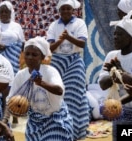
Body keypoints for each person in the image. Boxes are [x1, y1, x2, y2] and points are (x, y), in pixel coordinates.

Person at [5, 36, 73, 141]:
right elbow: (10, 100)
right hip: (34, 122)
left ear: (42, 57)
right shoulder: (20, 75)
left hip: (54, 119)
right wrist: (6, 120)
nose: (30, 57)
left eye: (34, 55)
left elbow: (59, 90)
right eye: (27, 54)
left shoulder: (50, 71)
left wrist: (41, 83)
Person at [46, 0, 90, 140]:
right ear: (59, 11)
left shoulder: (79, 23)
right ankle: (59, 130)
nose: (65, 11)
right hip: (57, 61)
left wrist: (68, 37)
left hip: (74, 60)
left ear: (73, 10)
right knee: (56, 95)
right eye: (63, 9)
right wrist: (61, 40)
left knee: (74, 95)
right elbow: (49, 48)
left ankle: (76, 130)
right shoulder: (54, 25)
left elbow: (82, 44)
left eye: (68, 8)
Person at [98, 11, 132, 141]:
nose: (115, 37)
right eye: (114, 34)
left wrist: (120, 74)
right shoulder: (112, 56)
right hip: (122, 111)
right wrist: (115, 74)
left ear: (130, 37)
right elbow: (102, 84)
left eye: (120, 34)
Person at [0, 1, 25, 75]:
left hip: (13, 60)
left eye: (6, 12)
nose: (4, 14)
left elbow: (22, 44)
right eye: (1, 11)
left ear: (11, 13)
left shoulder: (17, 26)